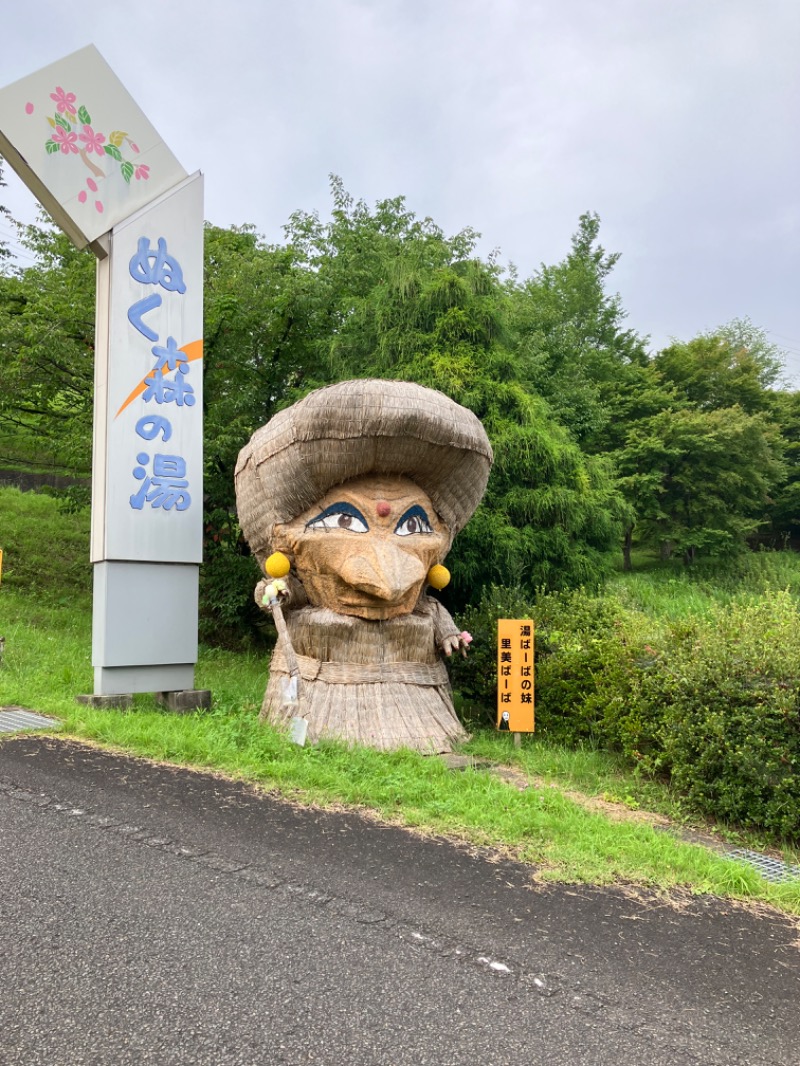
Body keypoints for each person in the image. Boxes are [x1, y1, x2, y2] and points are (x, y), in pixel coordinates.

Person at [234, 379, 492, 753]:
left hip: (416, 691)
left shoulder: (422, 603)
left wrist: (446, 632)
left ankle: (425, 736)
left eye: (413, 525)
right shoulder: (300, 577)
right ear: (286, 541)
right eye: (343, 521)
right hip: (322, 684)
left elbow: (431, 609)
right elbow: (275, 596)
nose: (386, 583)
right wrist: (275, 591)